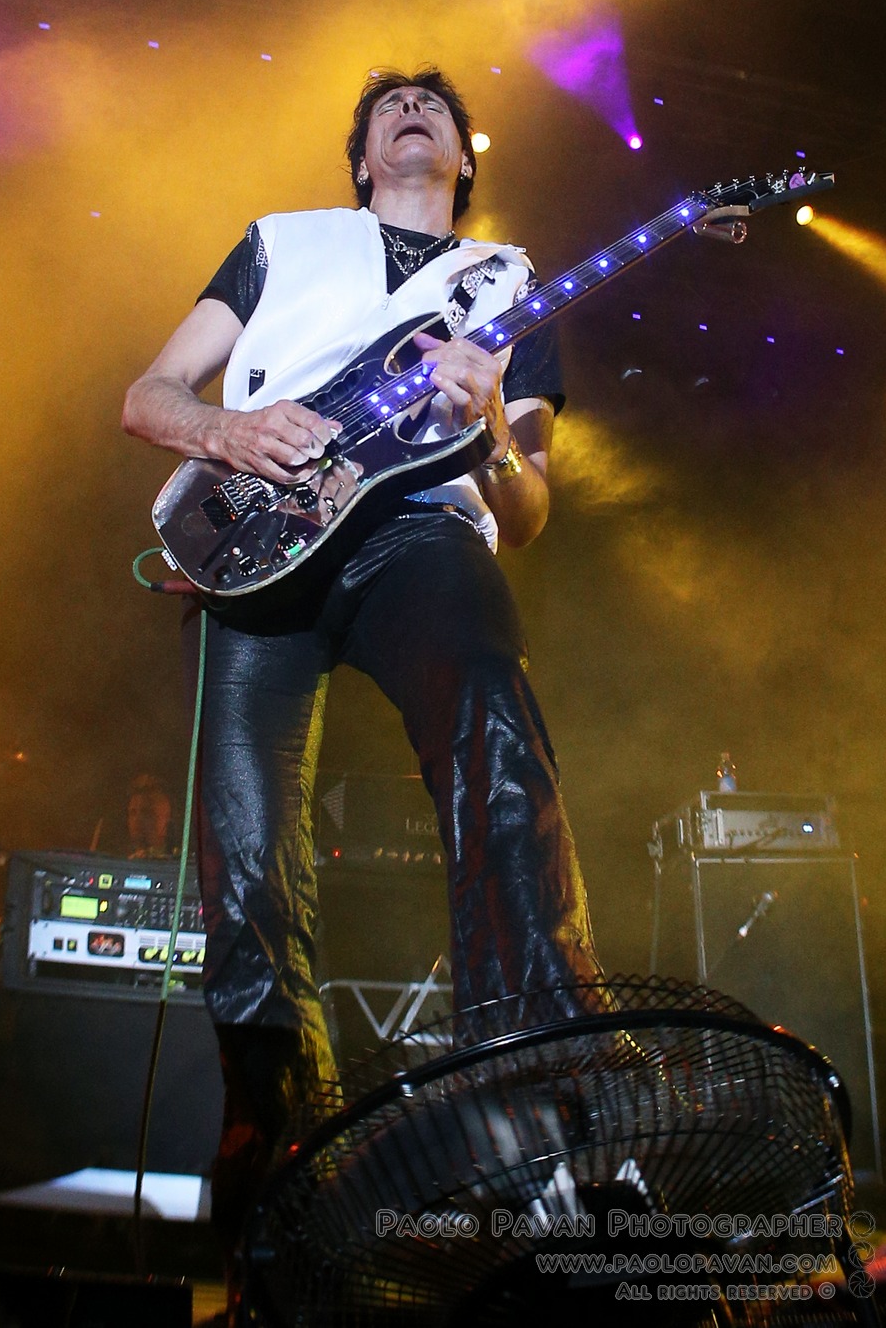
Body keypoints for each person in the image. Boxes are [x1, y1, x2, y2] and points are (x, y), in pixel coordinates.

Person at [122, 66, 606, 1320]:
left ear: (464, 156)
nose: (412, 109)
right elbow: (147, 395)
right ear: (359, 158)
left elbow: (529, 511)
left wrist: (489, 425)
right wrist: (225, 432)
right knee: (246, 862)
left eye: (434, 104)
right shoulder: (284, 243)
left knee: (493, 722)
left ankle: (536, 1120)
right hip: (260, 540)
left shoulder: (509, 282)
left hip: (420, 531)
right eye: (388, 104)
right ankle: (279, 1201)